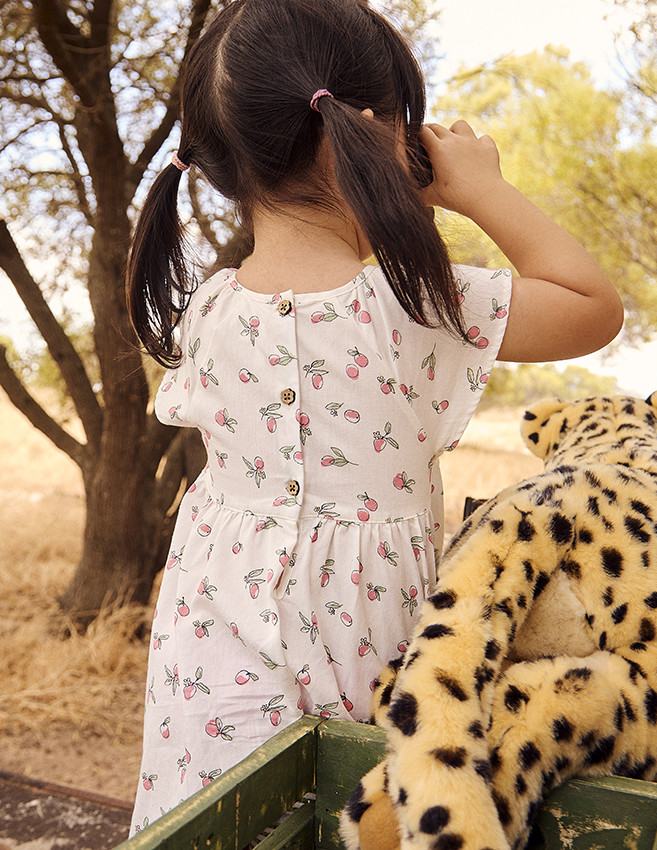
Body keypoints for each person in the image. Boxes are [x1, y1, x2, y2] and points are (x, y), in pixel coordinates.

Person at [125, 0, 623, 833]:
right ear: (364, 135)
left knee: (214, 823)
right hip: (361, 635)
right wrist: (481, 190)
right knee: (352, 821)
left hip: (207, 653)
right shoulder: (415, 304)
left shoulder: (208, 310)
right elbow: (592, 306)